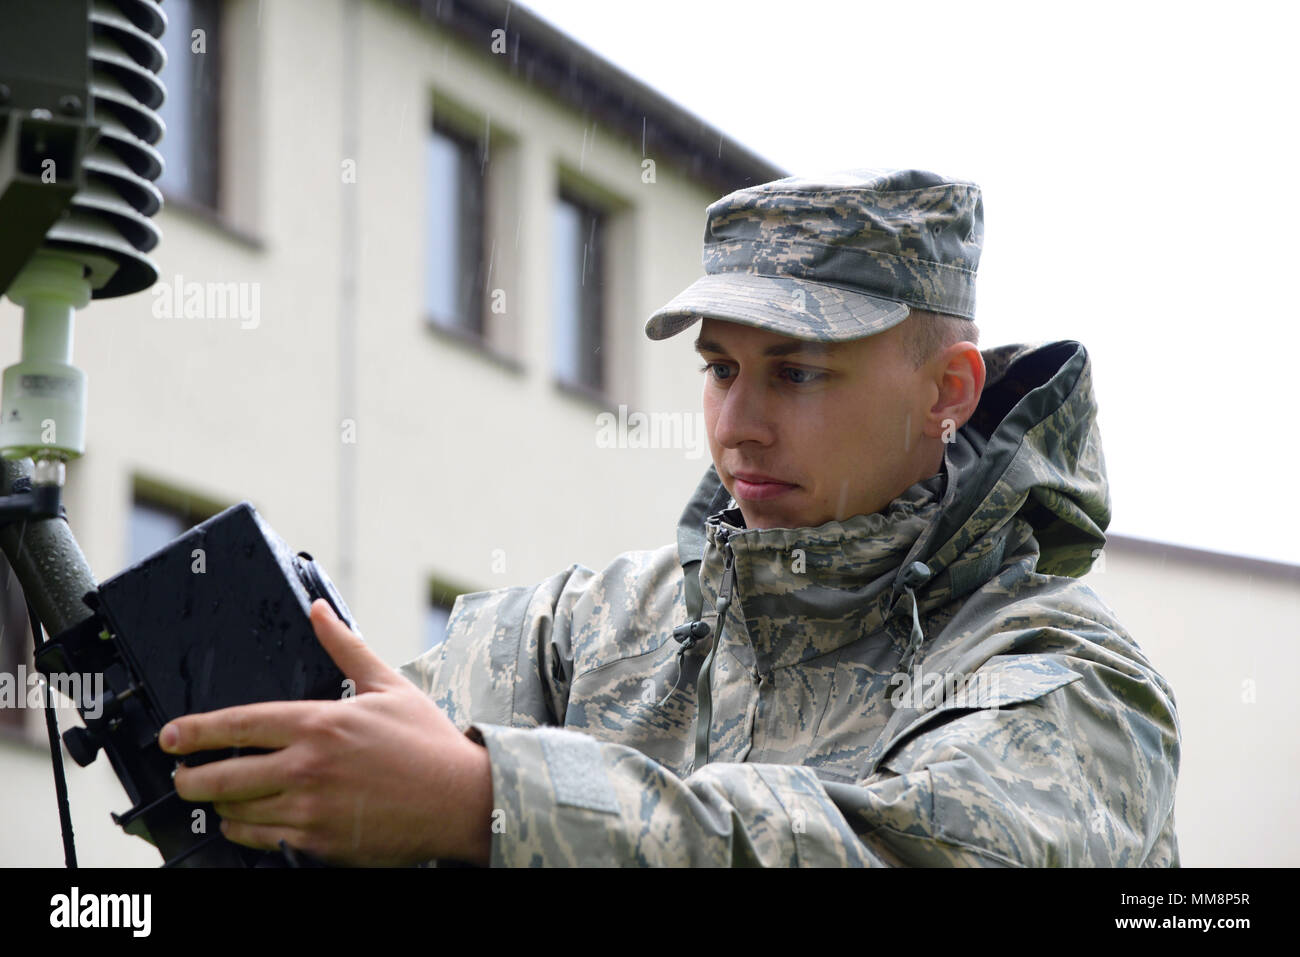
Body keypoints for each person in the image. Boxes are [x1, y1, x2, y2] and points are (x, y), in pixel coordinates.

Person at [160, 168, 1181, 867]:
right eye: (721, 370)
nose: (738, 427)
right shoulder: (591, 627)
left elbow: (905, 853)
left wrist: (486, 803)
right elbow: (352, 766)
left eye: (797, 372)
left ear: (946, 392)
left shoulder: (1065, 676)